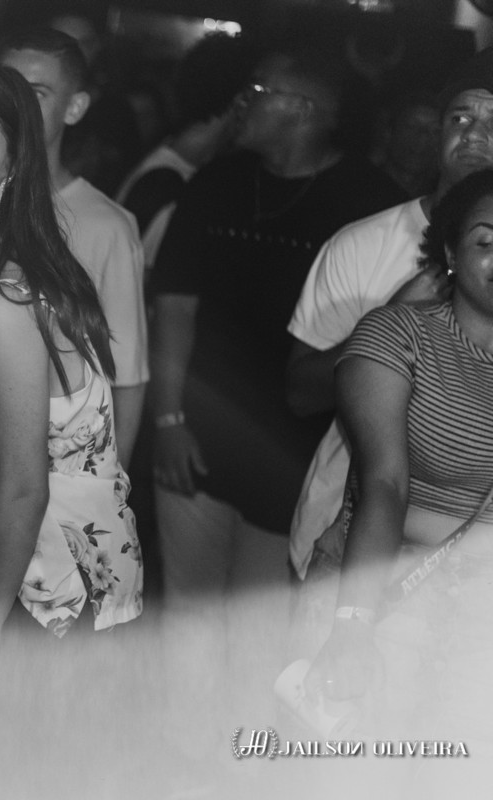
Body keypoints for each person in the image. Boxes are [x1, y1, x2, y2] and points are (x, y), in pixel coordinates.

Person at [148, 44, 405, 778]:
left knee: (261, 631)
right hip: (196, 439)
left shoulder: (367, 200)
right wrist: (167, 421)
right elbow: (174, 309)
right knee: (190, 618)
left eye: (259, 92)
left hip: (297, 457)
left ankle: (242, 772)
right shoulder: (218, 181)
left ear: (305, 111)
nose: (243, 103)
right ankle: (182, 769)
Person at [0, 61, 142, 732]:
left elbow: (23, 489)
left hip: (50, 592)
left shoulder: (7, 301)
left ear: (13, 165)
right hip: (21, 561)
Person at [305, 168, 493, 793]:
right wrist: (353, 625)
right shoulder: (398, 335)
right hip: (391, 592)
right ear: (450, 252)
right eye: (486, 241)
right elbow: (384, 485)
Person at [286, 47, 493, 581]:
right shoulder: (362, 244)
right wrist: (393, 320)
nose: (474, 135)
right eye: (460, 118)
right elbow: (299, 393)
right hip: (344, 542)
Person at [0, 27, 148, 469]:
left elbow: (126, 374)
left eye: (37, 93)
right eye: (6, 88)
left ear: (75, 107)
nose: (16, 106)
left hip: (56, 470)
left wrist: (111, 486)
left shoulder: (107, 226)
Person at [116, 32, 259, 279]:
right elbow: (134, 277)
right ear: (240, 100)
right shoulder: (166, 180)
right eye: (258, 90)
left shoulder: (185, 162)